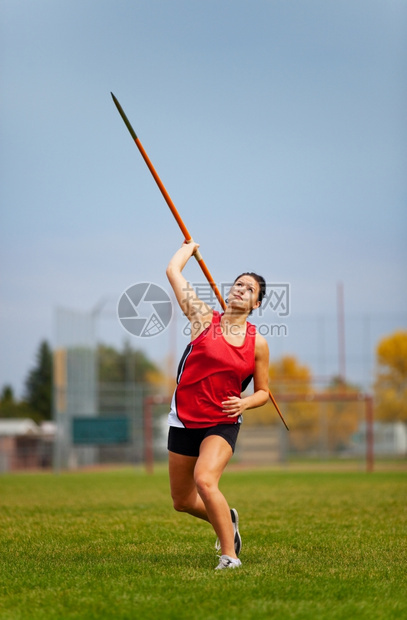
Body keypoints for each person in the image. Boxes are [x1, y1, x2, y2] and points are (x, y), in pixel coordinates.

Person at [166, 240, 270, 570]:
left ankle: (230, 556)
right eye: (238, 284)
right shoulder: (203, 318)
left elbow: (264, 391)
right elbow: (173, 271)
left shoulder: (259, 343)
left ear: (255, 303)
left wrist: (245, 403)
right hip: (184, 417)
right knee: (182, 501)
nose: (241, 290)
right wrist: (189, 247)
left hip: (221, 421)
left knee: (205, 480)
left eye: (249, 289)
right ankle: (228, 517)